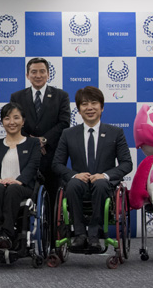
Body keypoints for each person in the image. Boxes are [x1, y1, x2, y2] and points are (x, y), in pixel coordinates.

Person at [52, 86, 133, 251]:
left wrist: (105, 175)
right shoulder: (68, 133)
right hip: (79, 185)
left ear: (102, 107)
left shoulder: (115, 132)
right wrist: (74, 175)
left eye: (94, 103)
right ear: (79, 110)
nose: (89, 108)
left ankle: (95, 235)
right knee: (73, 184)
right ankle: (80, 235)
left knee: (101, 183)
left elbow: (127, 163)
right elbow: (57, 164)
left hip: (104, 186)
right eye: (84, 104)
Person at [10, 57, 70, 209]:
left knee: (53, 196)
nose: (38, 75)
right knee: (26, 196)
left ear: (48, 74)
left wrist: (44, 140)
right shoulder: (17, 97)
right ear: (27, 75)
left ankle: (52, 231)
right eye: (34, 72)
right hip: (26, 154)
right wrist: (33, 142)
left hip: (52, 154)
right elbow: (14, 123)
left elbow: (64, 123)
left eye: (42, 71)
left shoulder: (61, 96)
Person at [0, 102, 41, 253]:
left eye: (16, 118)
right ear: (2, 122)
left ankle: (7, 235)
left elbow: (33, 165)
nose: (12, 122)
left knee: (13, 189)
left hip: (22, 188)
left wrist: (19, 180)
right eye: (7, 118)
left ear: (23, 121)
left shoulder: (33, 143)